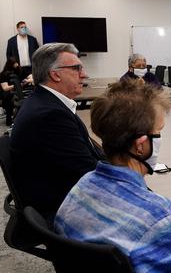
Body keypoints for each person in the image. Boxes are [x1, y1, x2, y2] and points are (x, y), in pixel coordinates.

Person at [54, 80, 171, 273]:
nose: (160, 139)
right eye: (158, 132)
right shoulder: (162, 216)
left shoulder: (82, 186)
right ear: (141, 145)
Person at [10, 43, 105, 221]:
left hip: (59, 194)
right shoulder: (50, 115)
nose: (84, 75)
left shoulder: (44, 102)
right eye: (77, 68)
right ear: (55, 74)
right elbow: (88, 174)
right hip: (65, 209)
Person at [0, 58, 31, 126]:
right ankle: (9, 119)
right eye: (15, 63)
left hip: (17, 93)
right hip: (7, 94)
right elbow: (5, 88)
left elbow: (27, 77)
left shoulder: (17, 72)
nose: (17, 64)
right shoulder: (4, 74)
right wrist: (17, 85)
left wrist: (27, 81)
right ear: (10, 64)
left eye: (17, 63)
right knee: (10, 97)